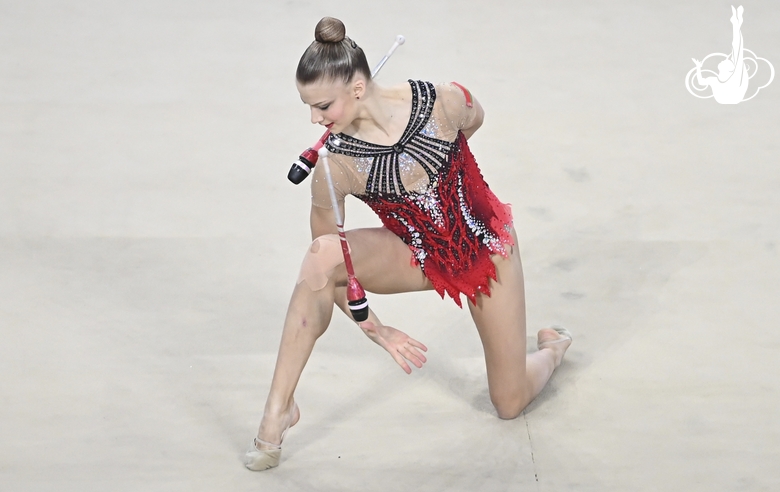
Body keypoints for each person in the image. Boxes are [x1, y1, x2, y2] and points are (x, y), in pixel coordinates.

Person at [245, 16, 572, 471]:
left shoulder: (445, 100)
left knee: (510, 403)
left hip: (485, 247)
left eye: (322, 106)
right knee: (321, 257)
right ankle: (277, 412)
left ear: (357, 90)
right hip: (415, 255)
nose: (314, 120)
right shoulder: (333, 165)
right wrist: (375, 328)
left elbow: (474, 121)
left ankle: (553, 348)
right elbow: (329, 271)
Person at [692, 5, 748, 104]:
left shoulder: (734, 77)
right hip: (729, 98)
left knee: (737, 51)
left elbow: (737, 49)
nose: (724, 59)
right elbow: (701, 82)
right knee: (736, 51)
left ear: (729, 69)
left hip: (732, 97)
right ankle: (736, 23)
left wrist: (736, 26)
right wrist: (698, 67)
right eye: (728, 60)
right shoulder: (714, 80)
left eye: (727, 62)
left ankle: (736, 23)